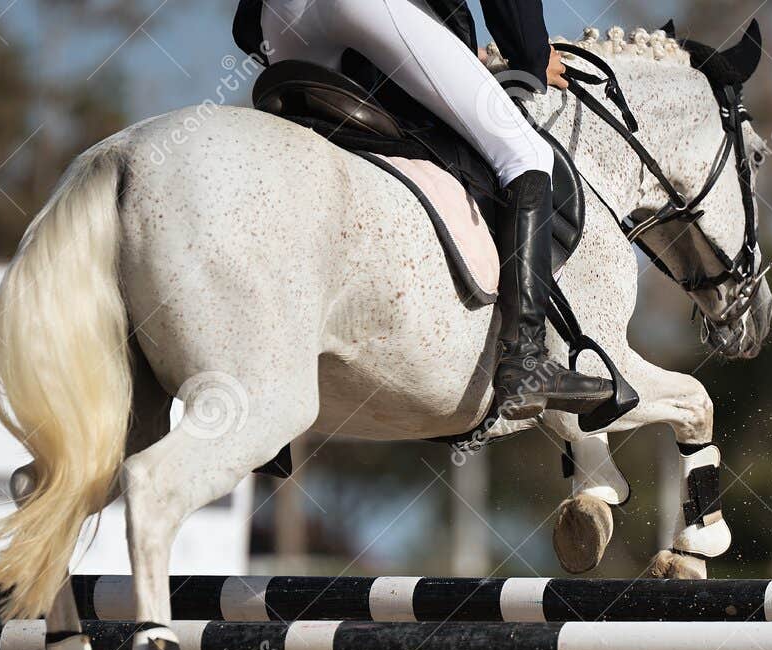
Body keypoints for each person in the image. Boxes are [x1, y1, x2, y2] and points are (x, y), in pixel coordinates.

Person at [240, 0, 612, 420]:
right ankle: (525, 361)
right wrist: (530, 54)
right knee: (526, 154)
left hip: (277, 16)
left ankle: (262, 358)